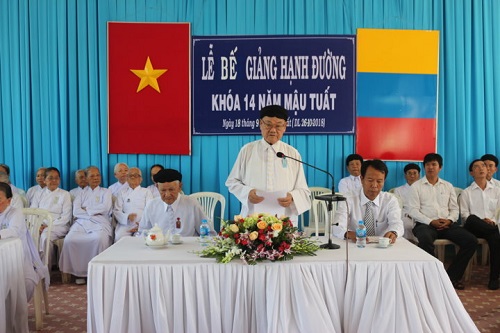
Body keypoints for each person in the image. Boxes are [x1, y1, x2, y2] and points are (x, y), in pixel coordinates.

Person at [225, 105, 311, 223]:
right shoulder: (247, 150)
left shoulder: (292, 153)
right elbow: (232, 182)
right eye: (268, 124)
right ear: (260, 124)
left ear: (285, 126)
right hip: (253, 219)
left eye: (278, 125)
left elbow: (303, 189)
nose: (273, 130)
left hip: (284, 220)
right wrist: (247, 192)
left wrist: (292, 197)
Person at [409, 153, 477, 290]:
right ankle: (434, 278)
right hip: (425, 224)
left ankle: (451, 277)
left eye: (434, 164)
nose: (430, 167)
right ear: (424, 167)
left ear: (440, 167)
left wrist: (449, 220)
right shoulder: (416, 186)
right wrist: (431, 221)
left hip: (447, 224)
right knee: (425, 239)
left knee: (471, 240)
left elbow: (454, 209)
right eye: (427, 164)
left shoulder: (448, 186)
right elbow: (413, 211)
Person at [59, 166, 112, 284]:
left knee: (99, 239)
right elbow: (76, 211)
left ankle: (98, 272)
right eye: (92, 176)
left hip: (100, 221)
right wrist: (92, 212)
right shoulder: (81, 193)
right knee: (70, 239)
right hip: (81, 222)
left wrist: (86, 209)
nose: (96, 178)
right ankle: (80, 272)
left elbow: (105, 208)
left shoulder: (106, 191)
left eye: (98, 175)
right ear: (86, 178)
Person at [332, 160, 404, 243]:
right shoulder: (348, 199)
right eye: (370, 180)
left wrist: (394, 232)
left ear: (384, 181)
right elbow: (337, 225)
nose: (374, 185)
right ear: (362, 179)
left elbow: (397, 223)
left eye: (379, 181)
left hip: (382, 246)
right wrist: (349, 234)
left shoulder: (390, 200)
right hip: (356, 245)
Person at [0, 182, 49, 301]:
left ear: (9, 200)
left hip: (18, 257)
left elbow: (15, 231)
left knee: (24, 283)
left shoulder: (15, 213)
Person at [460, 159, 500, 290]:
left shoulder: (497, 191)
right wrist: (482, 221)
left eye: (483, 166)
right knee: (472, 218)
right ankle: (495, 278)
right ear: (472, 173)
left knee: (494, 236)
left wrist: (493, 221)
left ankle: (494, 279)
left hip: (492, 226)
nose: (482, 168)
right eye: (477, 167)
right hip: (473, 227)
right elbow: (465, 215)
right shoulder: (467, 192)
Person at [138, 169, 207, 237]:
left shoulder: (192, 204)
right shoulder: (151, 205)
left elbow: (208, 234)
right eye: (163, 190)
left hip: (187, 247)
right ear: (157, 187)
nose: (167, 195)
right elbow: (143, 233)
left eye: (171, 190)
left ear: (180, 186)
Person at [30, 167, 72, 265]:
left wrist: (48, 225)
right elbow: (33, 212)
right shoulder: (38, 194)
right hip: (40, 225)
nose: (54, 181)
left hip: (58, 226)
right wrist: (39, 225)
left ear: (60, 180)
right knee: (29, 235)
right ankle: (32, 266)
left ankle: (45, 269)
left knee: (45, 237)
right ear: (44, 180)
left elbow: (66, 216)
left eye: (56, 178)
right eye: (50, 178)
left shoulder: (65, 194)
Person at [114, 167, 153, 241]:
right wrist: (127, 217)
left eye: (136, 175)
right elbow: (116, 210)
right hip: (125, 223)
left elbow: (150, 210)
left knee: (141, 239)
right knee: (119, 237)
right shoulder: (122, 193)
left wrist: (142, 225)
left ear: (141, 179)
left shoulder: (147, 192)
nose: (133, 177)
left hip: (141, 224)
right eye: (130, 176)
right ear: (127, 179)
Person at [394, 163, 421, 241]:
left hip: (421, 216)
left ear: (419, 175)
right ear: (405, 175)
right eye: (409, 173)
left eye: (415, 173)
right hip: (406, 215)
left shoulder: (424, 189)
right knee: (405, 225)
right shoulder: (398, 190)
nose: (412, 176)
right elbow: (398, 207)